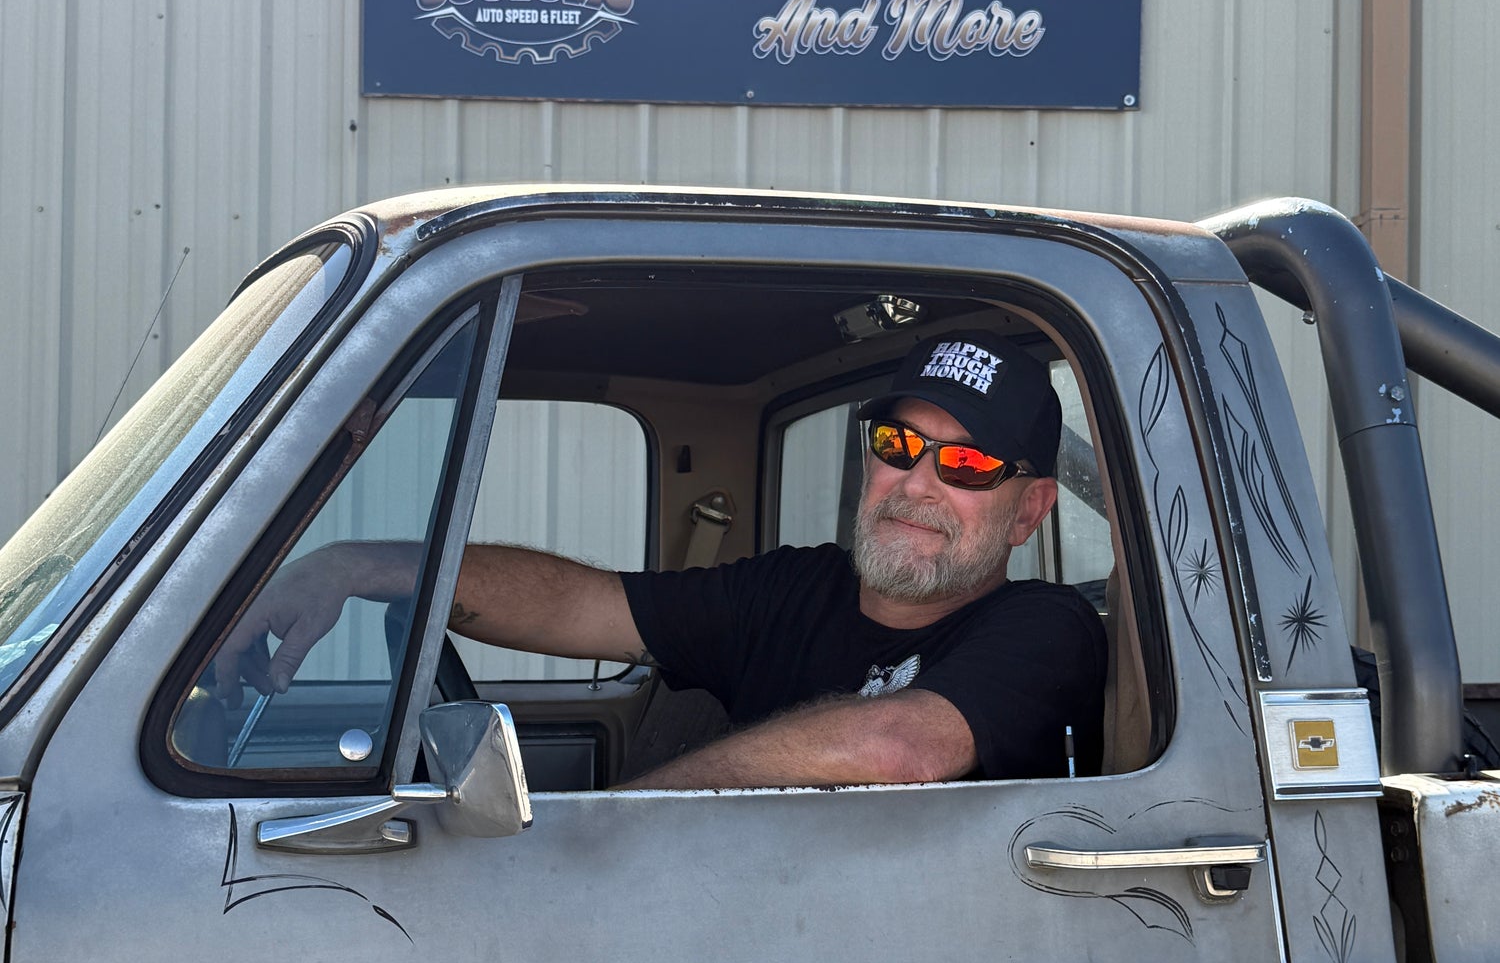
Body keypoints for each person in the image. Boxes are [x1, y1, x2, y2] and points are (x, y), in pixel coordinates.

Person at [213, 333, 1107, 789]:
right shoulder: (794, 588)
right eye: (897, 443)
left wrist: (635, 814)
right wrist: (354, 566)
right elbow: (579, 606)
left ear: (1029, 511)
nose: (916, 482)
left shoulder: (1045, 627)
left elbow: (900, 746)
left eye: (967, 464)